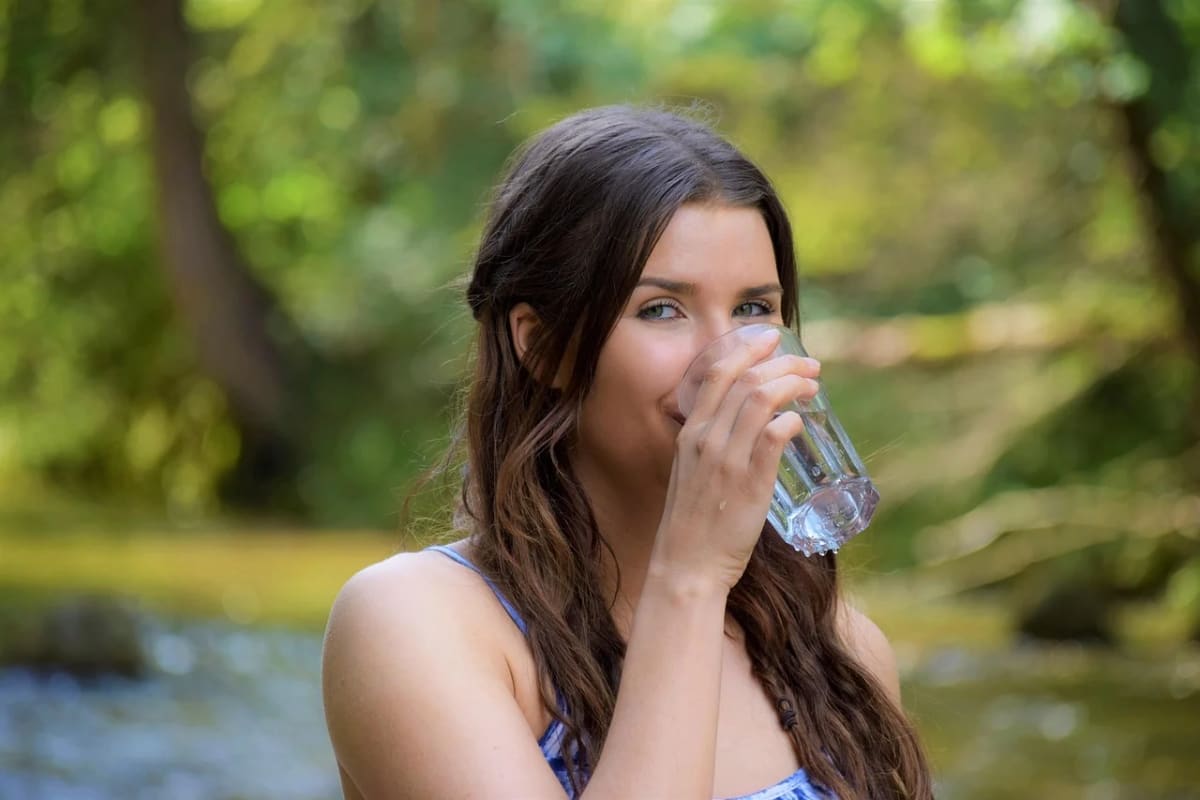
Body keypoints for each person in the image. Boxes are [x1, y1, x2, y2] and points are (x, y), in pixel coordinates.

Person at [321, 105, 933, 800]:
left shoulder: (843, 658)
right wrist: (691, 578)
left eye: (754, 309)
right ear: (542, 346)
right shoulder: (416, 624)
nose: (726, 358)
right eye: (661, 309)